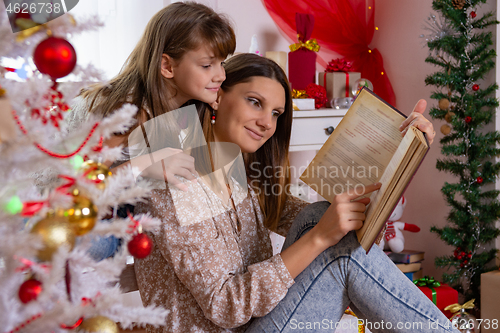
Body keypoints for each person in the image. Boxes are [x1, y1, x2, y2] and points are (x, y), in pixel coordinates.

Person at [134, 53, 454, 333]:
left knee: (319, 216)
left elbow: (317, 218)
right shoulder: (178, 180)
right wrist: (320, 239)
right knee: (334, 244)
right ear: (216, 96)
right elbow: (225, 307)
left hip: (259, 322)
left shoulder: (240, 175)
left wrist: (405, 151)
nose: (266, 123)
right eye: (255, 102)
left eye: (276, 113)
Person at [67, 2, 236, 260]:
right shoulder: (127, 110)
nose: (220, 75)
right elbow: (82, 190)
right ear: (167, 66)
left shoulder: (188, 106)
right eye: (207, 66)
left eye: (222, 64)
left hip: (117, 205)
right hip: (65, 204)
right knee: (98, 244)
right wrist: (143, 165)